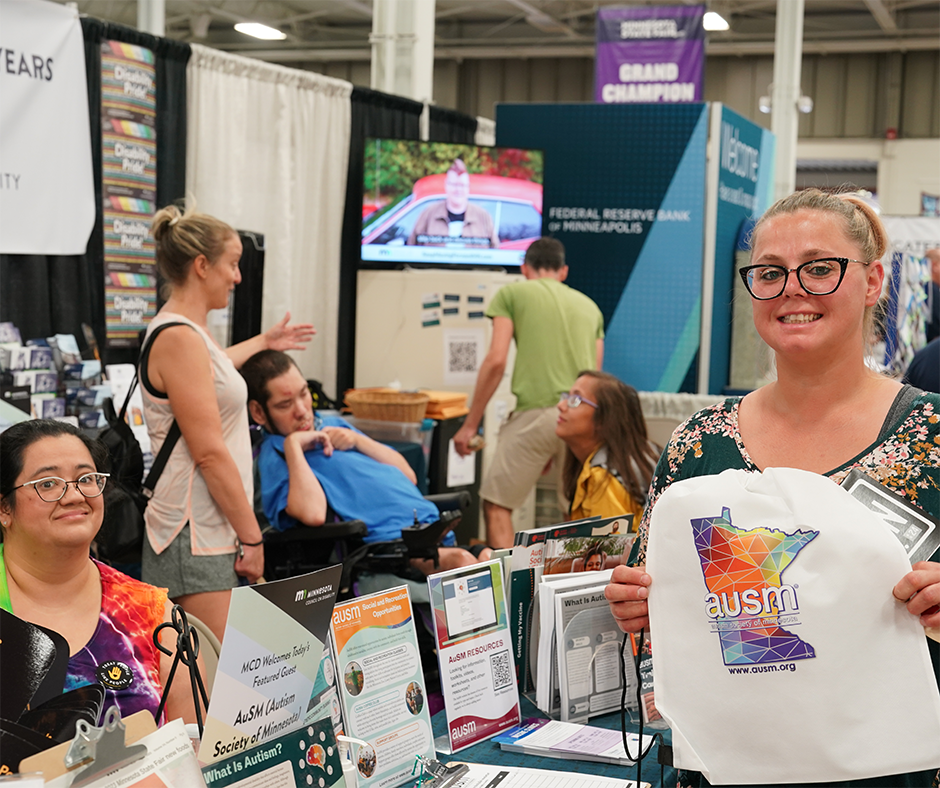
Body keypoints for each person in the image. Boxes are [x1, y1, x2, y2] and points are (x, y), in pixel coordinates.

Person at [605, 188, 940, 788]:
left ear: (873, 282)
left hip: (894, 770)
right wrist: (636, 603)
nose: (792, 288)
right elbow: (662, 601)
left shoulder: (932, 437)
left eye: (819, 268)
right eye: (770, 272)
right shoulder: (697, 444)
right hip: (727, 767)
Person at [142, 204, 315, 643]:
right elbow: (209, 453)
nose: (237, 278)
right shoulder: (179, 337)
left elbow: (213, 372)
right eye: (232, 264)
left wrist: (265, 342)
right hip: (193, 532)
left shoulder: (188, 334)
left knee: (228, 682)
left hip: (207, 529)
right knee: (220, 688)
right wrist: (253, 538)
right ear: (202, 266)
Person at [0, 420, 202, 724]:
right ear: (4, 508)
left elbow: (194, 746)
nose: (74, 496)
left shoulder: (151, 614)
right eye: (48, 484)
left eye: (86, 479)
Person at [241, 349, 489, 573]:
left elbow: (409, 476)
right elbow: (314, 514)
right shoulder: (276, 455)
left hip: (428, 528)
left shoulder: (332, 424)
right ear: (259, 412)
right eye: (285, 404)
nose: (302, 410)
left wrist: (357, 440)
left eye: (304, 394)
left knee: (492, 558)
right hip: (388, 547)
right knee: (463, 564)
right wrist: (294, 445)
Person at [453, 237, 605, 548]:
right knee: (576, 515)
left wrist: (470, 425)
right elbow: (595, 379)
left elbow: (496, 361)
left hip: (536, 411)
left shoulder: (512, 293)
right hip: (583, 417)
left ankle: (510, 592)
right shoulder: (591, 308)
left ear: (525, 268)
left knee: (497, 505)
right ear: (563, 271)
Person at [556, 370, 660, 523]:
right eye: (566, 397)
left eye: (576, 399)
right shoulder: (644, 452)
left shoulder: (604, 478)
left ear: (604, 419)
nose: (561, 405)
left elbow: (609, 546)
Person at [406, 158, 499, 248]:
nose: (458, 189)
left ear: (468, 187)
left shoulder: (483, 217)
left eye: (462, 185)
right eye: (454, 184)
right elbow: (412, 248)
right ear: (446, 185)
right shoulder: (428, 214)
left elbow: (494, 253)